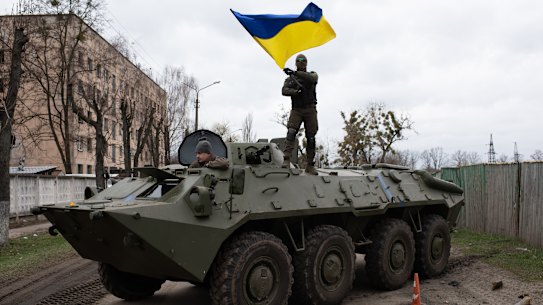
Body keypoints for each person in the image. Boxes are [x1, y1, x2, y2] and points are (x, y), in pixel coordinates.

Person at [281, 53, 319, 175]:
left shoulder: (311, 75)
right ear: (296, 63)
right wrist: (296, 92)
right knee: (291, 132)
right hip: (297, 109)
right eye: (299, 60)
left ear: (306, 63)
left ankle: (310, 164)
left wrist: (294, 73)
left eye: (303, 60)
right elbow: (284, 90)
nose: (301, 62)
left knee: (311, 137)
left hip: (310, 109)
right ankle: (286, 159)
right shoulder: (290, 79)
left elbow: (313, 79)